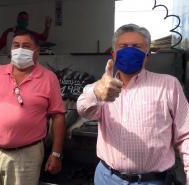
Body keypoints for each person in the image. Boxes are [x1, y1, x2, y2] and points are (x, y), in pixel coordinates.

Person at [77, 23, 189, 185]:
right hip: (107, 178)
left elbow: (186, 134)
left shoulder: (168, 85)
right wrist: (95, 93)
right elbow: (84, 112)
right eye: (123, 46)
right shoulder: (102, 86)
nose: (129, 50)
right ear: (114, 54)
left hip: (153, 181)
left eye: (136, 47)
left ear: (147, 55)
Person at [0, 29, 66, 185]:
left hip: (27, 156)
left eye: (26, 46)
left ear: (37, 51)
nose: (20, 49)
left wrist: (56, 153)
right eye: (16, 45)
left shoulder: (48, 78)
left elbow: (58, 117)